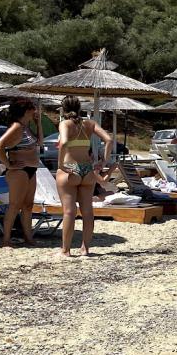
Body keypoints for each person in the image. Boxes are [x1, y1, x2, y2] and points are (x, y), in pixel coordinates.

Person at [56, 95, 115, 257]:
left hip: (70, 168)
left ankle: (66, 250)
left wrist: (60, 164)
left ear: (63, 109)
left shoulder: (65, 123)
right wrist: (104, 162)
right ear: (80, 108)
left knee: (69, 211)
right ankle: (85, 249)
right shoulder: (90, 124)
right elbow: (109, 140)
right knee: (87, 211)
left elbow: (65, 142)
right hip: (87, 170)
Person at [0, 98, 41, 249]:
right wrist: (7, 164)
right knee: (15, 205)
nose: (36, 111)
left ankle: (29, 237)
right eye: (33, 108)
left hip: (31, 169)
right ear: (27, 111)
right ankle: (6, 240)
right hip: (18, 171)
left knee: (28, 205)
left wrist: (38, 123)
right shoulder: (17, 126)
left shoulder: (27, 127)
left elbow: (40, 142)